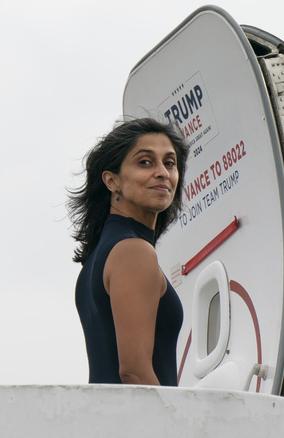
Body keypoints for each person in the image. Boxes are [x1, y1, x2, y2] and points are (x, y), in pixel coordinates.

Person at [69, 117, 189, 386]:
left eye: (169, 163)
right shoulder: (134, 252)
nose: (162, 172)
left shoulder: (98, 258)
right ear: (112, 181)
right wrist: (173, 426)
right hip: (139, 423)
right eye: (145, 162)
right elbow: (134, 374)